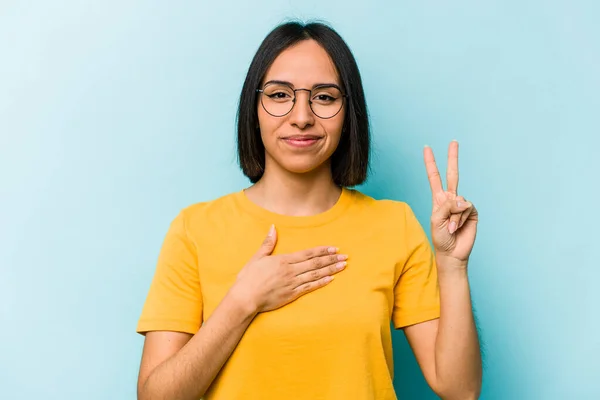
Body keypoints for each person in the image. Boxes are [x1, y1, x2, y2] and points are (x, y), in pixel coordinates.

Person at [135, 21, 482, 400]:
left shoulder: (393, 224)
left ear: (349, 112)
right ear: (254, 109)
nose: (302, 116)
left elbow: (459, 390)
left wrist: (452, 266)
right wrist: (242, 302)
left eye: (325, 97)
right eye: (280, 95)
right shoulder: (195, 229)